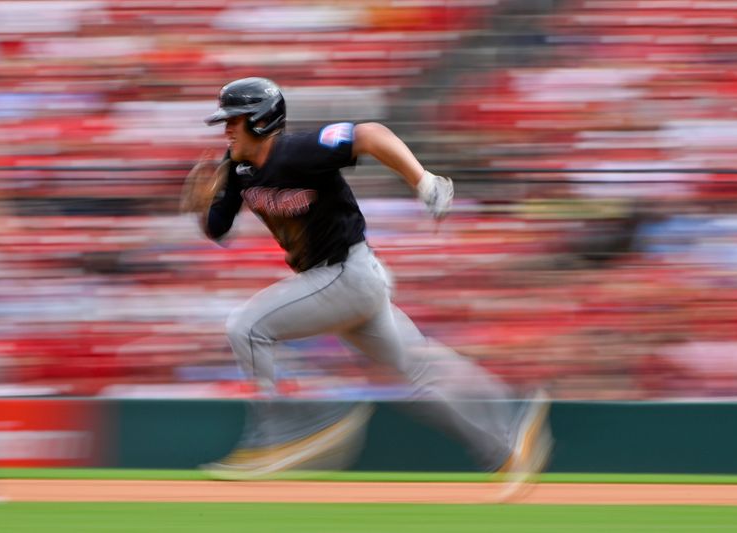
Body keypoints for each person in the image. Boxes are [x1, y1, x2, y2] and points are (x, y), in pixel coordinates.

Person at [181, 77, 552, 498]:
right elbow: (218, 227)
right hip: (340, 284)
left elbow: (371, 134)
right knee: (420, 372)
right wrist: (202, 206)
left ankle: (289, 430)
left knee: (246, 328)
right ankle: (508, 435)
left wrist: (422, 179)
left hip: (347, 274)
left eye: (235, 120)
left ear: (263, 122)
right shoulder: (239, 168)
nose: (226, 129)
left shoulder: (298, 151)